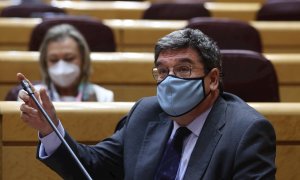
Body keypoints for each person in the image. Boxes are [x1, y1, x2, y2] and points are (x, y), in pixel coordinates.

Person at [18, 28, 276, 179]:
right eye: (162, 71)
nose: (170, 80)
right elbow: (93, 166)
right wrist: (50, 129)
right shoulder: (146, 113)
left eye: (183, 70)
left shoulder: (246, 132)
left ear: (212, 79)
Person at [7, 24, 113, 102]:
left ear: (83, 60)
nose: (61, 66)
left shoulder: (103, 97)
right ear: (45, 63)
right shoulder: (31, 97)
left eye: (69, 58)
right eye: (53, 60)